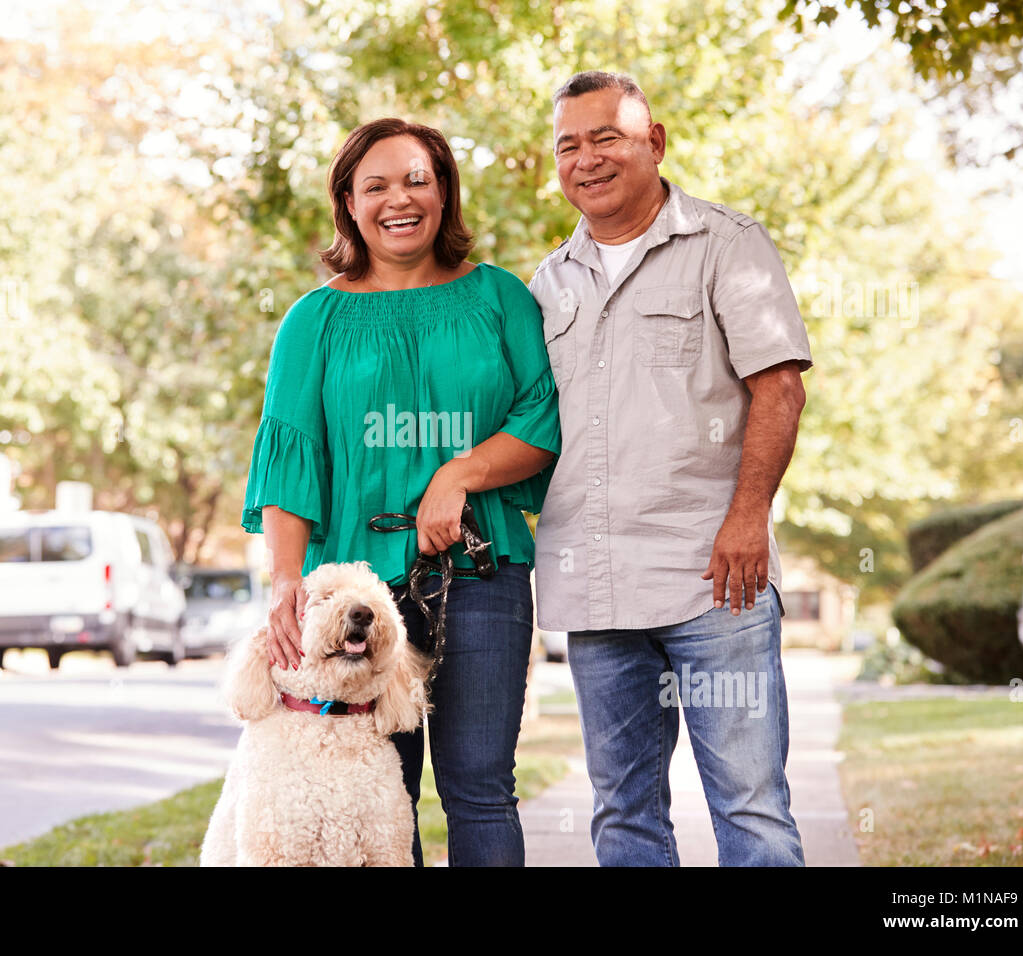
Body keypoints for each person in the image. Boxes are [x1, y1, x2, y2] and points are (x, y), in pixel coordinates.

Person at [241, 117, 561, 867]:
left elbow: (542, 420)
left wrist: (459, 474)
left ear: (444, 192)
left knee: (480, 787)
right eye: (375, 185)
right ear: (348, 203)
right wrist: (288, 579)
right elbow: (293, 457)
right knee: (382, 792)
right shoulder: (312, 321)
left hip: (480, 577)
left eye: (417, 179)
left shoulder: (501, 298)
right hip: (355, 590)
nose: (399, 199)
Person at [529, 70, 812, 866]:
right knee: (623, 816)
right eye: (569, 145)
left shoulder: (727, 244)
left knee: (751, 809)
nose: (587, 158)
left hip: (714, 580)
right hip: (595, 591)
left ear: (654, 142)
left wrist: (749, 516)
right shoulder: (546, 284)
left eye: (606, 137)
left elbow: (779, 390)